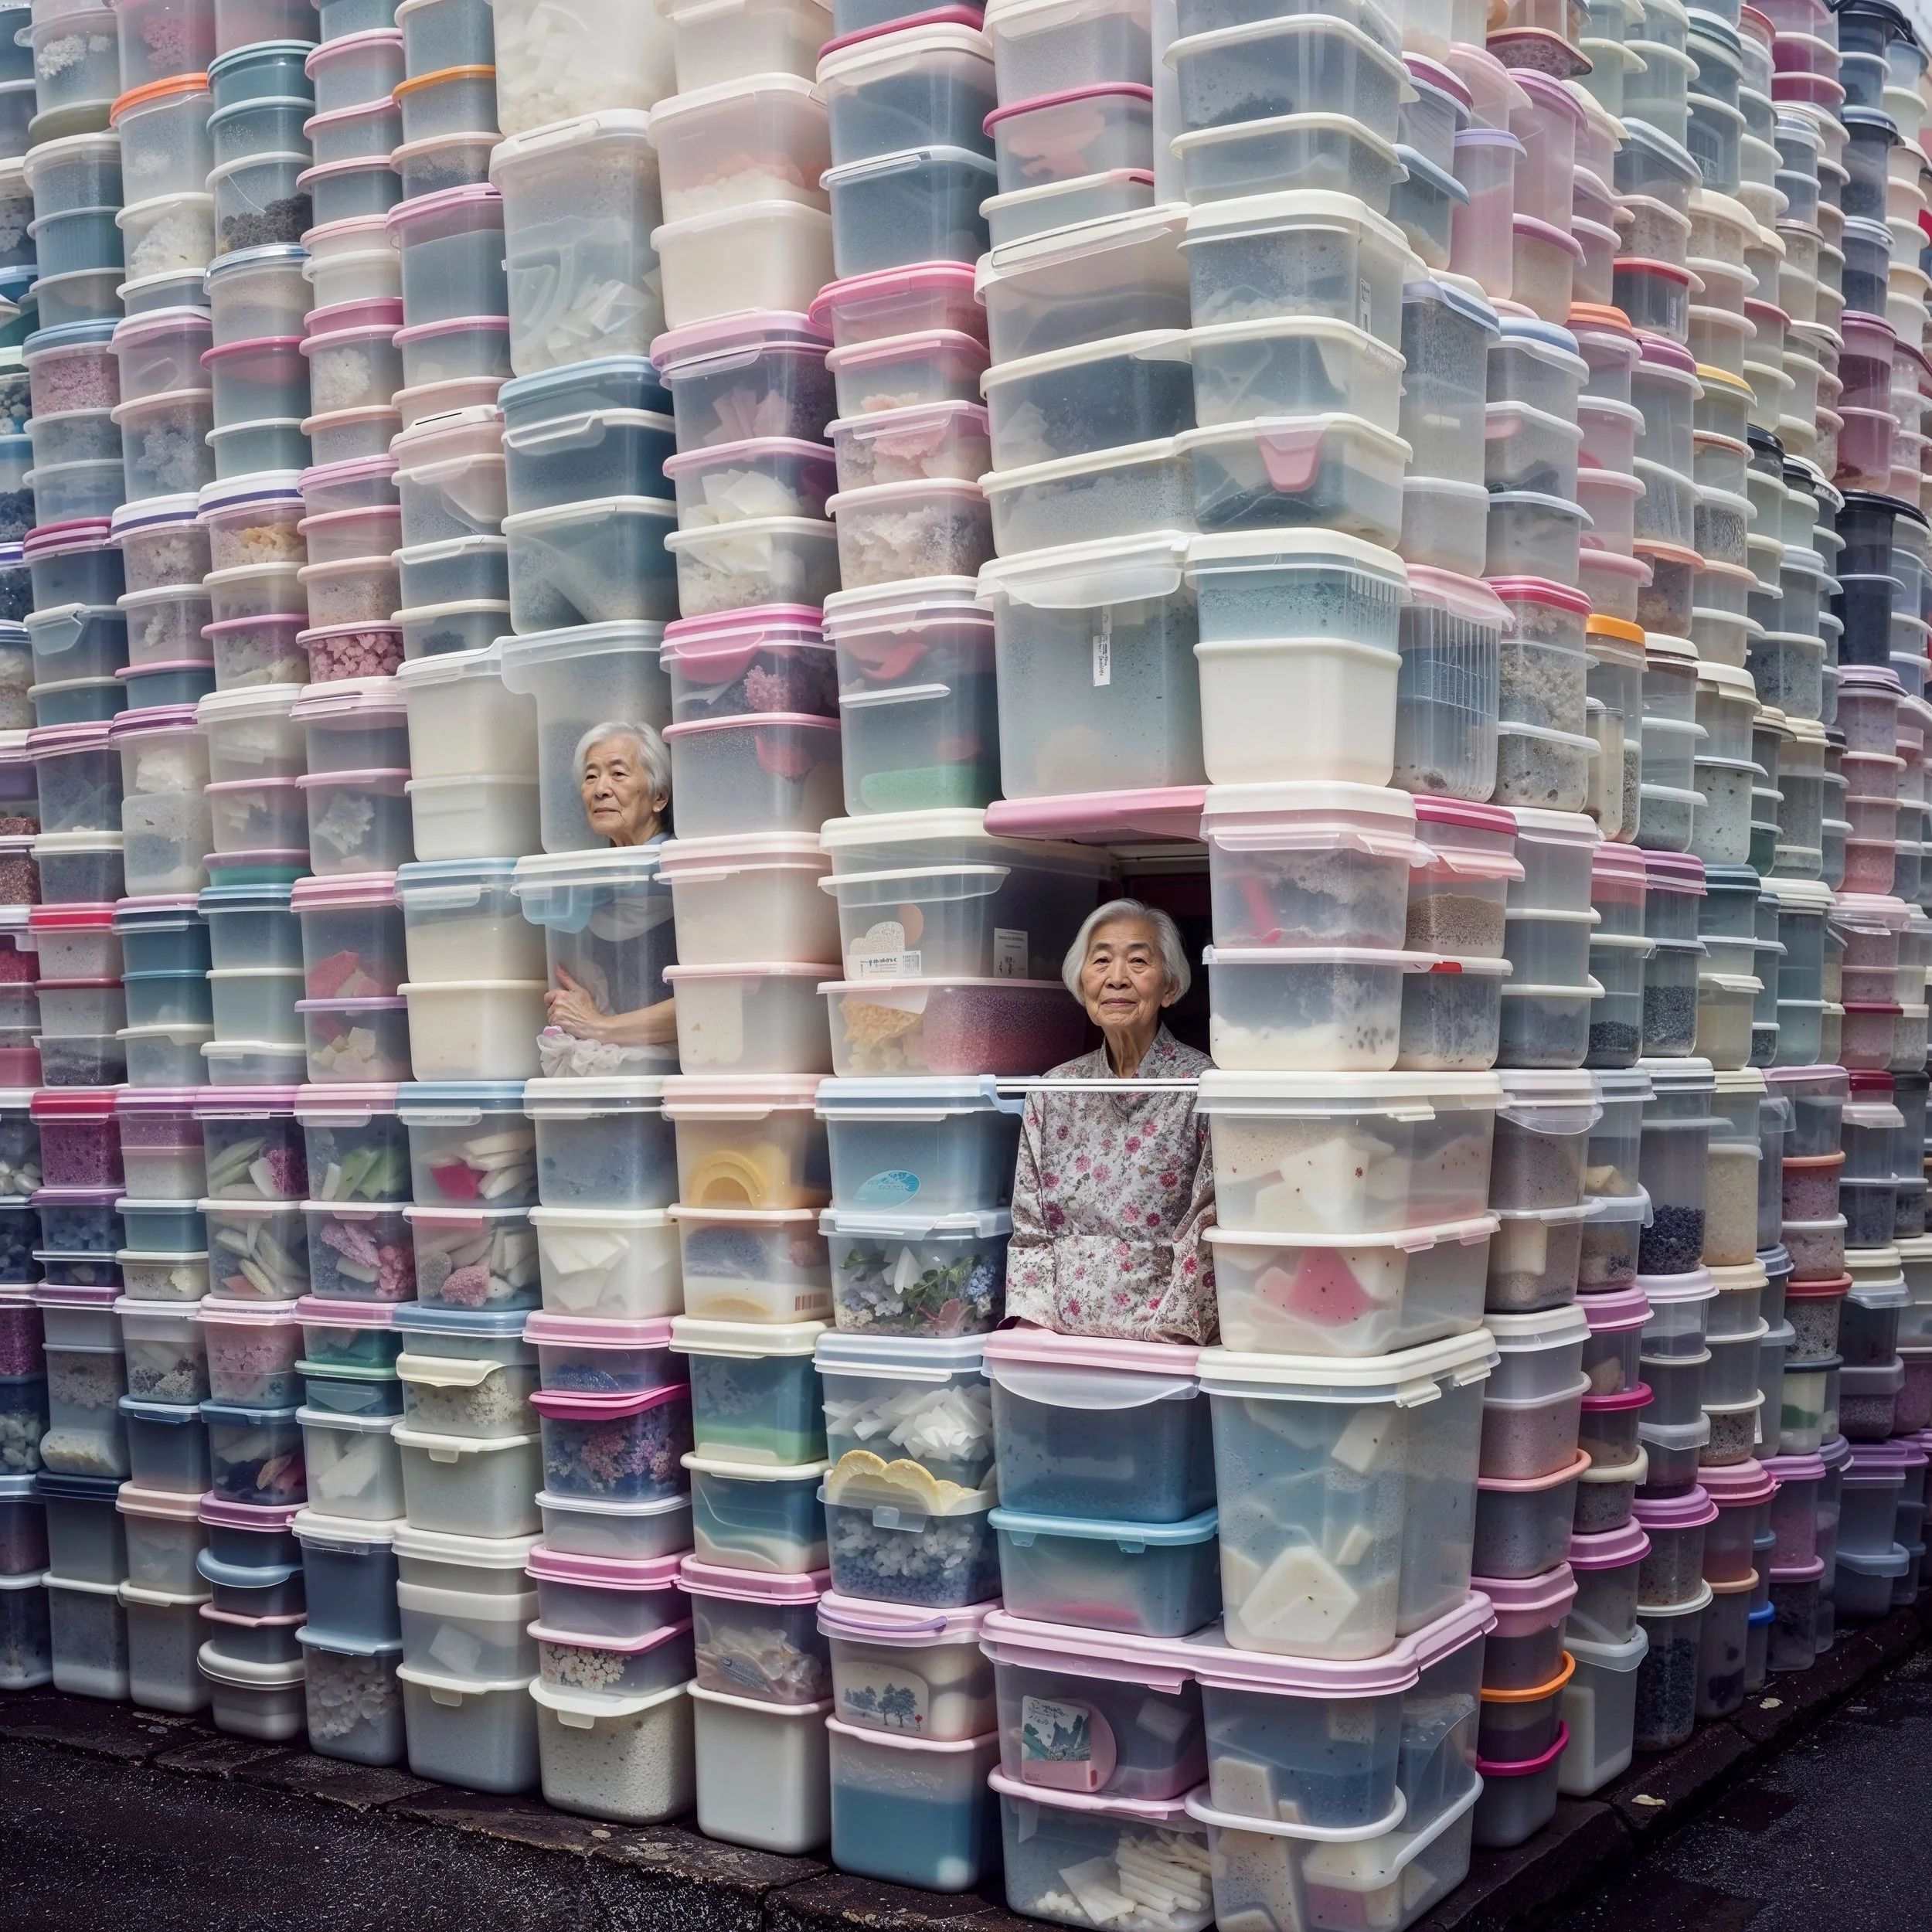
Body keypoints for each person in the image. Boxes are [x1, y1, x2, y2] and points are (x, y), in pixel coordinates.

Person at [1006, 898, 1216, 1344]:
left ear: (1171, 987)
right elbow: (1030, 1228)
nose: (1117, 977)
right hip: (1061, 1336)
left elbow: (1207, 1230)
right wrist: (1033, 1328)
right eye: (1101, 960)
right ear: (1083, 984)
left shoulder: (1206, 1086)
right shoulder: (1053, 1089)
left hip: (1164, 1337)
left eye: (1138, 961)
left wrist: (1172, 1335)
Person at [536, 722, 679, 1077]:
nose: (601, 789)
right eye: (590, 777)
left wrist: (597, 1026)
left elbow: (715, 999)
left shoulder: (679, 872)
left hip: (680, 1071)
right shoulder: (584, 882)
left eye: (618, 773)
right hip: (617, 1075)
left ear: (659, 797)